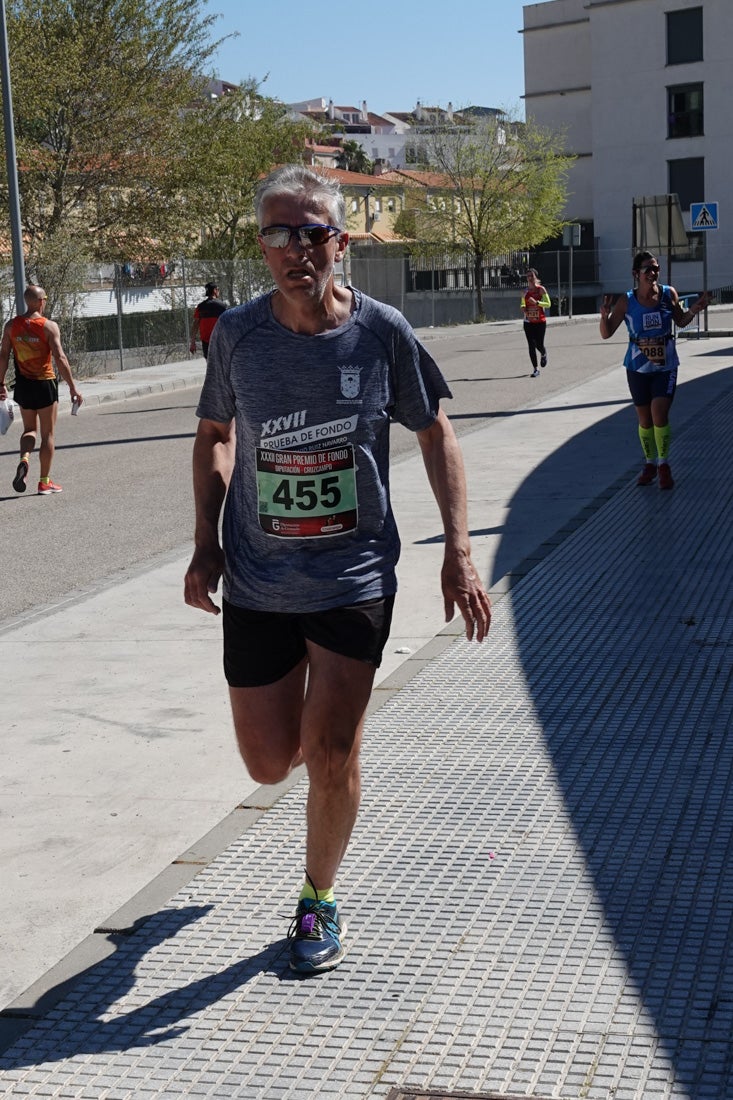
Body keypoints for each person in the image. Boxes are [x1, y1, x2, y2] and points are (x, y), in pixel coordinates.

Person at [184, 165, 491, 975]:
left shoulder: (382, 331)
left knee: (330, 755)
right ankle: (316, 763)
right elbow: (215, 432)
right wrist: (204, 542)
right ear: (261, 247)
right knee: (266, 762)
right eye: (279, 234)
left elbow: (435, 433)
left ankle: (316, 898)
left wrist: (457, 550)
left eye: (312, 232)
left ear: (340, 242)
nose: (296, 249)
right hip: (258, 579)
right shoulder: (238, 336)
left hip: (354, 577)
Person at [600, 251, 709, 490]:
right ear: (635, 274)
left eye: (656, 268)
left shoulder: (669, 293)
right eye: (647, 269)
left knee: (659, 412)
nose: (653, 273)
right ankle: (649, 463)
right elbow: (606, 333)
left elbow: (679, 320)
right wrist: (603, 316)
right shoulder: (626, 301)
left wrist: (694, 310)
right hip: (637, 367)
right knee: (645, 419)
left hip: (665, 366)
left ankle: (663, 465)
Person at [0, 284, 82, 495]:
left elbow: (3, 356)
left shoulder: (11, 326)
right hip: (45, 384)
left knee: (29, 430)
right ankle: (44, 482)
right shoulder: (48, 326)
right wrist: (73, 387)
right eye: (44, 298)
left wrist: (0, 384)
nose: (45, 301)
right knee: (47, 435)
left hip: (24, 385)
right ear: (38, 301)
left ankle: (24, 460)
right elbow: (60, 358)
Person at [521, 268, 551, 378]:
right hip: (528, 321)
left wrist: (537, 302)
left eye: (532, 276)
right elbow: (522, 303)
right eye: (528, 276)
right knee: (531, 345)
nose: (530, 278)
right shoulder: (525, 292)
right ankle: (535, 369)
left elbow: (548, 304)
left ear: (536, 277)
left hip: (540, 321)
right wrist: (523, 307)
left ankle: (543, 353)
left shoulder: (541, 290)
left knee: (539, 344)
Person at [190, 282, 227, 360]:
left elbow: (195, 324)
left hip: (206, 341)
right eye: (218, 289)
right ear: (214, 291)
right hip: (219, 340)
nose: (218, 291)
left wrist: (192, 342)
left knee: (210, 363)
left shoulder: (200, 307)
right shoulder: (222, 306)